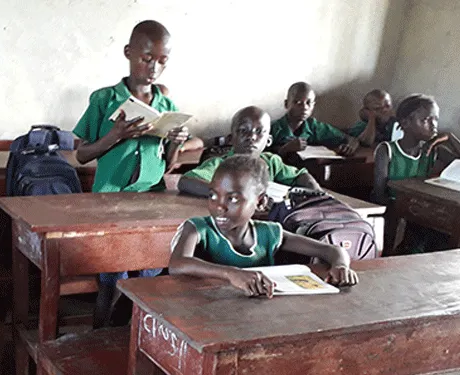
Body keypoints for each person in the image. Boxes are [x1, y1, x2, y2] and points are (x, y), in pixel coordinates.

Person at [170, 154, 358, 375]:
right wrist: (231, 274)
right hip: (205, 353)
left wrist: (342, 267)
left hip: (255, 348)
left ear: (260, 202)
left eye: (234, 198)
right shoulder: (197, 229)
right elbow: (177, 265)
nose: (219, 206)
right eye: (213, 195)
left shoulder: (271, 233)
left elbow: (332, 251)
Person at [72, 20, 201, 327]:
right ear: (128, 53)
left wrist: (175, 144)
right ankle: (98, 341)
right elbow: (81, 154)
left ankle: (131, 342)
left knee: (147, 281)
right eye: (146, 59)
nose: (153, 68)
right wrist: (115, 135)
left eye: (161, 61)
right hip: (109, 203)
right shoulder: (104, 100)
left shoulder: (166, 105)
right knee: (111, 280)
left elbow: (168, 165)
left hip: (151, 203)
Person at [372, 93, 460, 253]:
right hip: (396, 213)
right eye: (425, 120)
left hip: (424, 213)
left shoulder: (433, 151)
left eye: (435, 119)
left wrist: (451, 138)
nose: (433, 125)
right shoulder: (387, 150)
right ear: (405, 123)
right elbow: (379, 193)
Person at [178, 106, 320, 197]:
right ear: (231, 139)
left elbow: (301, 176)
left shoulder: (271, 162)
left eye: (259, 132)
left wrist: (318, 194)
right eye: (243, 131)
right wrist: (234, 195)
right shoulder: (221, 164)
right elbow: (186, 182)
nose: (251, 137)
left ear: (268, 141)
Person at [270, 82, 359, 157]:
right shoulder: (275, 129)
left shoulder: (314, 126)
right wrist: (285, 149)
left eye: (308, 103)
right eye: (298, 103)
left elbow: (350, 139)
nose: (304, 107)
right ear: (286, 104)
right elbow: (264, 157)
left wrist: (350, 147)